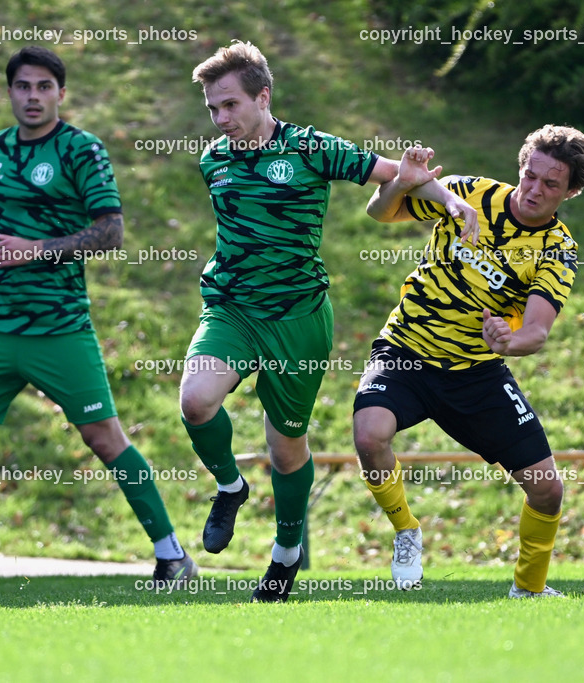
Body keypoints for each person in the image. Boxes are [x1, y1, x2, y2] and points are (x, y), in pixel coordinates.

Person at [180, 40, 477, 602]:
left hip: (299, 318)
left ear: (262, 96)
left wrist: (450, 201)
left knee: (286, 447)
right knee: (196, 401)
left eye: (229, 105)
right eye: (212, 109)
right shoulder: (213, 159)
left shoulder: (313, 147)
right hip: (233, 308)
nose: (220, 120)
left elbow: (398, 175)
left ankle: (286, 556)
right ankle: (229, 486)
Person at [0, 46, 197, 589]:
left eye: (44, 87)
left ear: (60, 94)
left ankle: (171, 556)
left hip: (60, 326)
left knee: (105, 438)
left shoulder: (81, 150)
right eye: (23, 86)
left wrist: (37, 249)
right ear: (10, 92)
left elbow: (111, 231)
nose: (33, 97)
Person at [353, 124, 584, 597]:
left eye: (551, 184)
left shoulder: (557, 249)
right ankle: (407, 531)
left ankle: (529, 590)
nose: (535, 190)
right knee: (369, 433)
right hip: (407, 349)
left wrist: (509, 341)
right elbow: (379, 211)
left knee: (547, 490)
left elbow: (537, 332)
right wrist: (404, 181)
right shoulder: (468, 193)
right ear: (521, 168)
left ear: (571, 192)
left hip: (476, 371)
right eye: (531, 176)